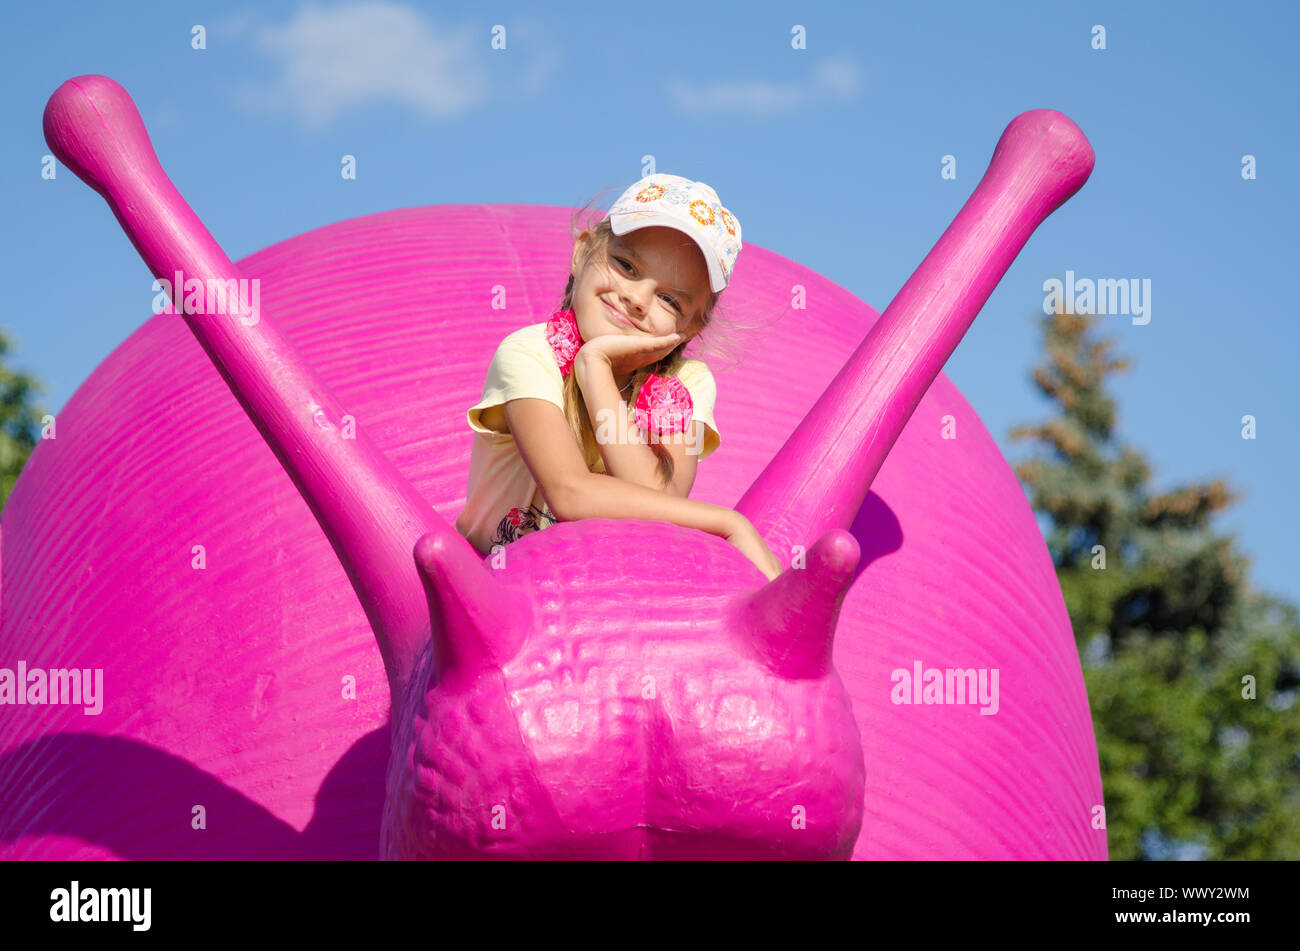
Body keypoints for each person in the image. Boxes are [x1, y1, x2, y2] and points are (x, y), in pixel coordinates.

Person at [454, 173, 782, 581]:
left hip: (600, 587)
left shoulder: (687, 383)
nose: (637, 299)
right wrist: (730, 524)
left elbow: (659, 501)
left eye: (669, 299)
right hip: (495, 583)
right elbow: (569, 493)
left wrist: (597, 374)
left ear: (694, 327)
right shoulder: (528, 354)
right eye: (626, 265)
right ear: (582, 252)